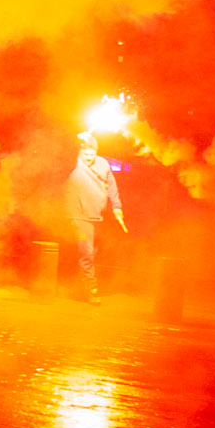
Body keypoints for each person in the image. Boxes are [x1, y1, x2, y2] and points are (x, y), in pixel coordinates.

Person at [65, 129, 127, 303]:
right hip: (82, 219)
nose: (88, 157)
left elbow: (112, 187)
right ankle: (91, 289)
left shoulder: (103, 165)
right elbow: (69, 194)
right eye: (85, 154)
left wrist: (117, 207)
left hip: (99, 216)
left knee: (94, 252)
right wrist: (72, 217)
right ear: (80, 152)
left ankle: (80, 286)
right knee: (87, 253)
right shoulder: (76, 167)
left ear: (96, 153)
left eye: (91, 154)